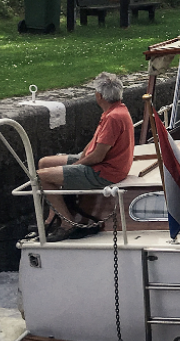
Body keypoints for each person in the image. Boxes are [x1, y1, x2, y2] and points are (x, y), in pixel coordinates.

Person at [36, 72, 135, 241]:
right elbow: (96, 142)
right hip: (104, 164)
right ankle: (54, 217)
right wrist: (81, 156)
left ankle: (68, 224)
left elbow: (98, 157)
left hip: (105, 171)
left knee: (43, 178)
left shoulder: (113, 118)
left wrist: (76, 165)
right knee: (44, 163)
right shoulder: (116, 110)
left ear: (99, 96)